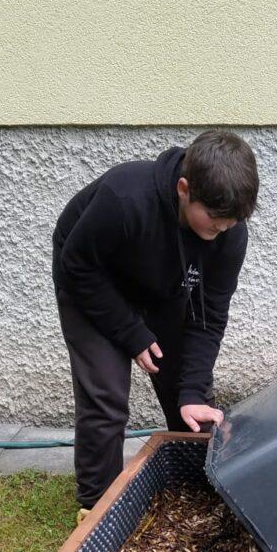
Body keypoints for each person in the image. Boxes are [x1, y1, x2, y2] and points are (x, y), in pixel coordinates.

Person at [52, 129, 258, 519]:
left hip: (163, 283)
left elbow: (209, 315)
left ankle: (207, 480)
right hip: (93, 279)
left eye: (232, 222)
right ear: (184, 189)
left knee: (189, 392)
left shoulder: (229, 233)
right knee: (106, 397)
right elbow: (77, 266)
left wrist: (194, 389)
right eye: (215, 221)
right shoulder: (125, 197)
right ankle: (98, 508)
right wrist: (130, 333)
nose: (224, 230)